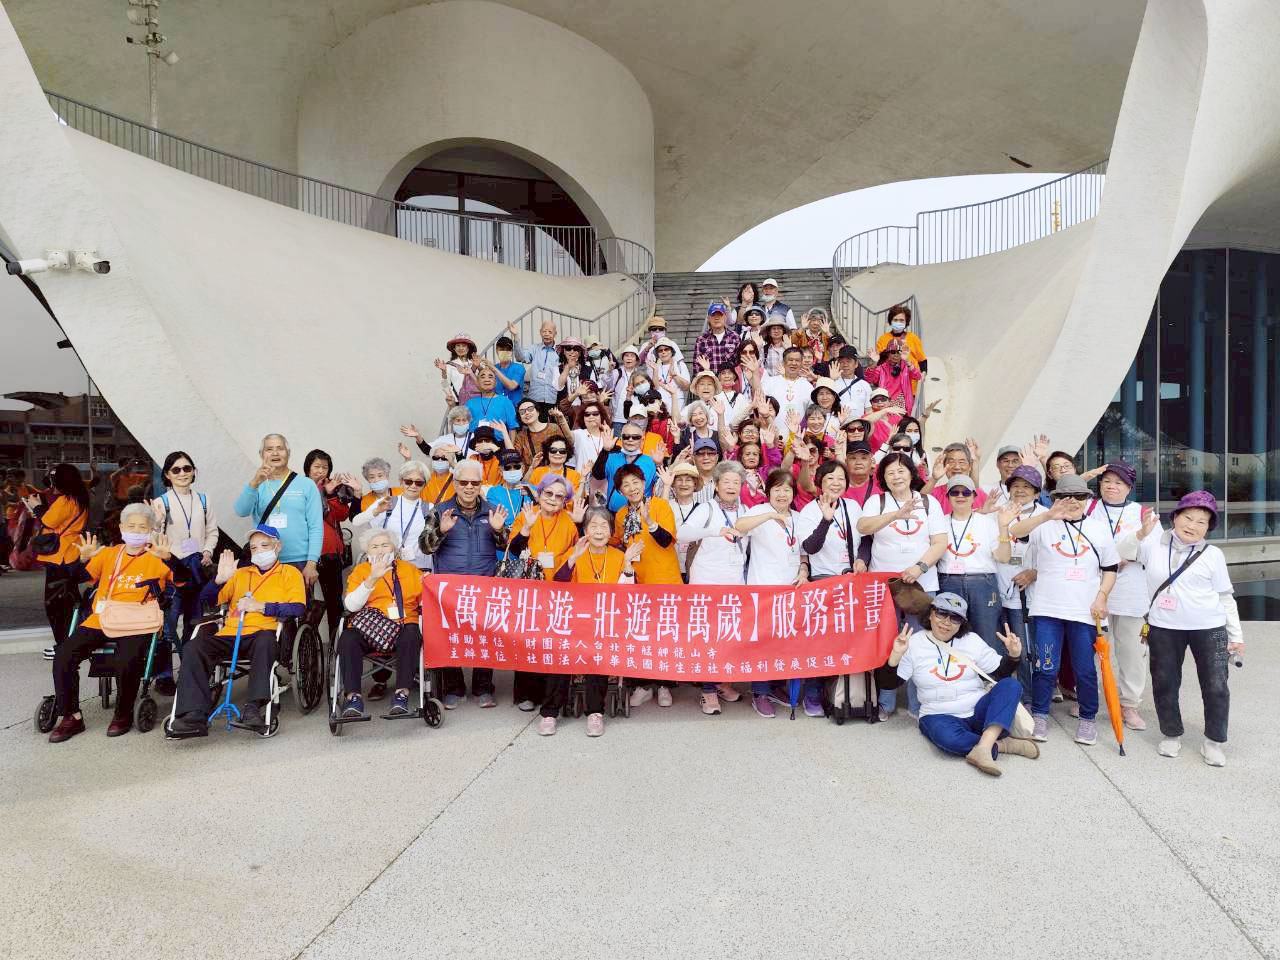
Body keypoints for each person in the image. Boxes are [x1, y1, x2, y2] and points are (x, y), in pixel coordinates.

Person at [1119, 492, 1243, 766]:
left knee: (1216, 686)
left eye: (1201, 521)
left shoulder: (1213, 555)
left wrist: (1236, 636)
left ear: (1208, 528)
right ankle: (1171, 734)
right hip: (1164, 626)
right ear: (1175, 517)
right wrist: (1141, 533)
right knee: (1165, 682)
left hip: (1209, 628)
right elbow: (1121, 552)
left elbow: (1225, 596)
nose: (1193, 525)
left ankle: (1213, 742)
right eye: (1188, 517)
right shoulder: (1153, 545)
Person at [47, 508, 185, 742]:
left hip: (140, 621)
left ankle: (123, 714)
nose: (136, 531)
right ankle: (71, 716)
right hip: (103, 617)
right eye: (131, 526)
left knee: (126, 659)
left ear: (151, 530)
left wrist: (170, 559)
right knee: (64, 654)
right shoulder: (109, 554)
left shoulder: (158, 555)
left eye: (142, 527)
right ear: (121, 528)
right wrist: (82, 560)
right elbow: (77, 578)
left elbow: (187, 580)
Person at [1008, 473, 1118, 746]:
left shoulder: (1099, 528)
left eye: (1079, 496)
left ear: (1087, 499)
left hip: (1084, 612)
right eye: (1065, 496)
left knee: (1084, 669)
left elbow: (1110, 568)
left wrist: (1102, 597)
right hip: (1048, 610)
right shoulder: (1044, 524)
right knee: (1046, 666)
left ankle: (1088, 719)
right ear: (1056, 498)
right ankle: (1040, 714)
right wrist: (1048, 515)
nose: (1072, 501)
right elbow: (1016, 532)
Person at [167, 525, 307, 738]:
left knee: (265, 641)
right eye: (254, 547)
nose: (259, 551)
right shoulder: (240, 573)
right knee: (194, 647)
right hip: (231, 634)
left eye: (264, 545)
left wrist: (261, 607)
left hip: (264, 632)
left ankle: (253, 709)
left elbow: (297, 608)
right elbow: (206, 600)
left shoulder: (290, 573)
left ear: (277, 546)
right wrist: (218, 581)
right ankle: (194, 714)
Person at [884, 593, 1037, 776]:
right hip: (938, 714)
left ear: (961, 623)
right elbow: (889, 683)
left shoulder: (971, 640)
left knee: (1011, 685)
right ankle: (1001, 745)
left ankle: (983, 747)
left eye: (955, 618)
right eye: (941, 613)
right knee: (949, 739)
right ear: (930, 614)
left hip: (976, 709)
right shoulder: (914, 643)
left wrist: (1013, 655)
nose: (946, 622)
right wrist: (895, 655)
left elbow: (999, 673)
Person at [856, 452, 949, 719]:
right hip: (884, 585)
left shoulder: (929, 502)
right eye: (890, 473)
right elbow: (863, 527)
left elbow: (940, 542)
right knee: (887, 642)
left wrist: (919, 567)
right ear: (883, 478)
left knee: (921, 642)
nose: (896, 476)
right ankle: (886, 701)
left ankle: (917, 703)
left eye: (901, 471)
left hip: (921, 583)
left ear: (911, 473)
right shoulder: (877, 501)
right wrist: (895, 514)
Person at [540, 508, 644, 737]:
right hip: (576, 623)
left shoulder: (619, 556)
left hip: (605, 626)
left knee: (597, 654)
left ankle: (595, 712)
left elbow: (629, 596)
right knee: (562, 655)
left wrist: (627, 564)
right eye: (593, 526)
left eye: (604, 526)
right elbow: (558, 585)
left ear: (611, 532)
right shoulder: (576, 551)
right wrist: (573, 558)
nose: (598, 531)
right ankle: (549, 713)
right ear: (585, 530)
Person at [418, 459, 509, 708]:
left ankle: (483, 688)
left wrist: (499, 530)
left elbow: (507, 546)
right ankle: (454, 689)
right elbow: (425, 546)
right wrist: (441, 531)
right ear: (455, 483)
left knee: (485, 636)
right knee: (450, 636)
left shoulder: (492, 510)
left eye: (474, 483)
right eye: (464, 482)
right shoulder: (439, 511)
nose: (469, 487)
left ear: (481, 484)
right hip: (449, 588)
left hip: (484, 584)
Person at [736, 470, 817, 717]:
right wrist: (770, 515)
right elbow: (739, 527)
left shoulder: (799, 517)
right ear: (768, 491)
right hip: (763, 589)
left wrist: (803, 570)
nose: (782, 494)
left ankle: (776, 686)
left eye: (787, 489)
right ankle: (760, 692)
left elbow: (803, 552)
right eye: (777, 489)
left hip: (791, 590)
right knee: (763, 642)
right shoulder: (758, 511)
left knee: (786, 641)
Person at [676, 461, 749, 716]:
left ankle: (722, 683)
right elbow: (682, 533)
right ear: (716, 485)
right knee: (707, 637)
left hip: (734, 582)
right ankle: (707, 690)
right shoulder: (706, 508)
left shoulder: (746, 510)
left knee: (728, 636)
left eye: (736, 482)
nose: (731, 486)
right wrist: (715, 531)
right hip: (706, 582)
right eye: (726, 481)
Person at [1083, 461, 1150, 730]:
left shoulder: (1142, 513)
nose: (1111, 486)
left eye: (1119, 483)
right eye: (1107, 481)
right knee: (1091, 649)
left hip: (1131, 593)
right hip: (1094, 591)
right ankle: (1089, 700)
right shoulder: (1088, 508)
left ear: (1129, 488)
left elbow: (1152, 551)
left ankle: (1129, 704)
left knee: (1131, 652)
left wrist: (1126, 556)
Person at [336, 527, 424, 719]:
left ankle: (401, 694)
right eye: (374, 546)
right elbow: (351, 605)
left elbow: (424, 601)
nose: (380, 550)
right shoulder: (361, 571)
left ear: (394, 548)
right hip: (369, 626)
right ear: (367, 551)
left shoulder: (409, 570)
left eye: (385, 545)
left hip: (403, 623)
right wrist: (372, 579)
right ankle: (353, 698)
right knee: (348, 639)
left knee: (411, 634)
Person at [148, 451, 217, 693]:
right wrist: (157, 522)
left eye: (187, 468)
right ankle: (164, 676)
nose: (182, 473)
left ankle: (189, 671)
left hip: (197, 567)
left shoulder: (204, 500)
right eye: (176, 470)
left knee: (193, 623)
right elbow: (153, 538)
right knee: (167, 626)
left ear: (194, 471)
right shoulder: (161, 502)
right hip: (172, 569)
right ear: (167, 474)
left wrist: (207, 551)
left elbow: (212, 531)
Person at [935, 475, 1016, 650]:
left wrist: (1003, 528)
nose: (960, 496)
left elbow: (1003, 557)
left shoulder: (987, 522)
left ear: (974, 496)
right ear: (948, 497)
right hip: (949, 581)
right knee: (949, 636)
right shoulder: (938, 523)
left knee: (987, 636)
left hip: (982, 583)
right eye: (955, 492)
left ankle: (988, 669)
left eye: (966, 492)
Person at [233, 433, 322, 590]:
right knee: (264, 604)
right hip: (264, 560)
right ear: (261, 454)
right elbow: (241, 511)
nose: (275, 453)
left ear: (288, 453)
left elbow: (316, 527)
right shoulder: (257, 484)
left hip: (299, 561)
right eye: (269, 449)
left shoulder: (306, 484)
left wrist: (312, 563)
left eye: (280, 448)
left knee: (299, 605)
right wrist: (254, 483)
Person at [26, 463, 90, 655]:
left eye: (53, 481)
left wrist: (36, 506)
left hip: (61, 557)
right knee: (70, 602)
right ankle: (74, 643)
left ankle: (64, 646)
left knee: (56, 605)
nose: (51, 486)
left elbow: (49, 521)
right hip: (71, 554)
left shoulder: (65, 499)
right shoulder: (78, 498)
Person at [994, 465, 1045, 700]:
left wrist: (1035, 572)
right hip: (997, 587)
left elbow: (1056, 554)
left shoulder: (1045, 515)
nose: (1020, 490)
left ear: (1037, 492)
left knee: (1026, 647)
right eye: (1015, 486)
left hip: (1029, 592)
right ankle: (1004, 692)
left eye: (1027, 486)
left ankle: (1029, 697)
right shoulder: (997, 512)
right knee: (1000, 645)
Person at [303, 449, 351, 644]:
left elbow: (342, 515)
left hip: (330, 551)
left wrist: (331, 494)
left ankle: (335, 644)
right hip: (304, 552)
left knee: (334, 602)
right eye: (317, 466)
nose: (321, 471)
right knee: (302, 600)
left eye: (325, 467)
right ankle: (305, 644)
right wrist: (321, 491)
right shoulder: (300, 487)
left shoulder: (334, 487)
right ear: (308, 468)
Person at [592, 421, 658, 512]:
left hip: (642, 513)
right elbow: (597, 475)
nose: (630, 440)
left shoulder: (650, 461)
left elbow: (661, 485)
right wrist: (605, 450)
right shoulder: (611, 457)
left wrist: (660, 464)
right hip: (614, 513)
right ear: (621, 439)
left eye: (635, 437)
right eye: (626, 437)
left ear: (642, 440)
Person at [661, 461, 703, 581]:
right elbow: (661, 514)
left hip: (695, 567)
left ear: (695, 484)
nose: (684, 484)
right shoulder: (668, 505)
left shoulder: (703, 509)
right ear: (673, 484)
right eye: (679, 480)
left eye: (688, 480)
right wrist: (666, 486)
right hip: (671, 566)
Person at [511, 318, 560, 413]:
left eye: (550, 332)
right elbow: (520, 357)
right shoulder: (534, 348)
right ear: (540, 332)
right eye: (544, 331)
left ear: (555, 334)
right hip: (535, 397)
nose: (547, 334)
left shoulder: (560, 351)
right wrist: (516, 337)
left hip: (552, 397)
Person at [928, 441, 988, 515]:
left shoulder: (980, 495)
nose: (957, 467)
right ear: (944, 465)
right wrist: (934, 479)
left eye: (961, 462)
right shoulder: (935, 494)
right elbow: (920, 504)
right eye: (951, 462)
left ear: (970, 466)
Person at [511, 398, 571, 468]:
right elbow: (514, 458)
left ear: (538, 412)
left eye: (530, 409)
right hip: (533, 474)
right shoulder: (521, 436)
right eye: (522, 412)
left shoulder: (553, 428)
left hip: (554, 472)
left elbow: (567, 447)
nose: (527, 413)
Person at [465, 360, 519, 434]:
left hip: (499, 441)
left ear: (496, 382)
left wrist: (510, 442)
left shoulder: (505, 401)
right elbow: (462, 424)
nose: (487, 380)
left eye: (490, 377)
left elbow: (512, 428)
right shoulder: (470, 403)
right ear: (478, 382)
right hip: (474, 440)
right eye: (482, 377)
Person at [874, 303, 927, 372]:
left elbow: (922, 360)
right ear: (890, 321)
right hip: (889, 377)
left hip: (912, 377)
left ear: (906, 322)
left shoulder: (913, 338)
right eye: (895, 320)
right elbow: (879, 362)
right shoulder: (882, 339)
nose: (898, 322)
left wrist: (923, 374)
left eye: (901, 320)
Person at [693, 301, 742, 372]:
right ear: (709, 318)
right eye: (713, 315)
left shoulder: (735, 337)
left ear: (725, 317)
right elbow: (696, 366)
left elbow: (739, 363)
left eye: (720, 315)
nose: (716, 318)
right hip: (709, 378)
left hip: (729, 378)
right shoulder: (701, 339)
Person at [828, 345, 871, 421]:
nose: (845, 365)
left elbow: (868, 410)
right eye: (842, 362)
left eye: (849, 361)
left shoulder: (864, 385)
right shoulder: (832, 383)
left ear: (856, 364)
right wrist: (831, 381)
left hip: (858, 426)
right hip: (838, 425)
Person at [569, 401, 611, 477]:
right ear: (583, 418)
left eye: (595, 414)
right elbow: (566, 434)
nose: (591, 416)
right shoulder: (578, 434)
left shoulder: (608, 435)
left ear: (601, 416)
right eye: (587, 414)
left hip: (603, 480)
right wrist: (561, 420)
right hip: (582, 480)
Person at [436, 333, 479, 404]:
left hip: (477, 402)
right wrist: (443, 372)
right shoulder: (449, 365)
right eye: (458, 346)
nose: (460, 348)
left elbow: (482, 383)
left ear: (468, 348)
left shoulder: (475, 363)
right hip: (459, 403)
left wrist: (478, 367)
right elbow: (444, 385)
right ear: (454, 349)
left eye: (464, 346)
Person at [491, 334, 526, 406]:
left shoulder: (519, 368)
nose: (505, 352)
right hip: (497, 406)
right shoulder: (493, 368)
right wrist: (478, 367)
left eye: (508, 349)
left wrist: (495, 370)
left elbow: (512, 386)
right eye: (502, 349)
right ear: (497, 350)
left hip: (514, 408)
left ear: (512, 351)